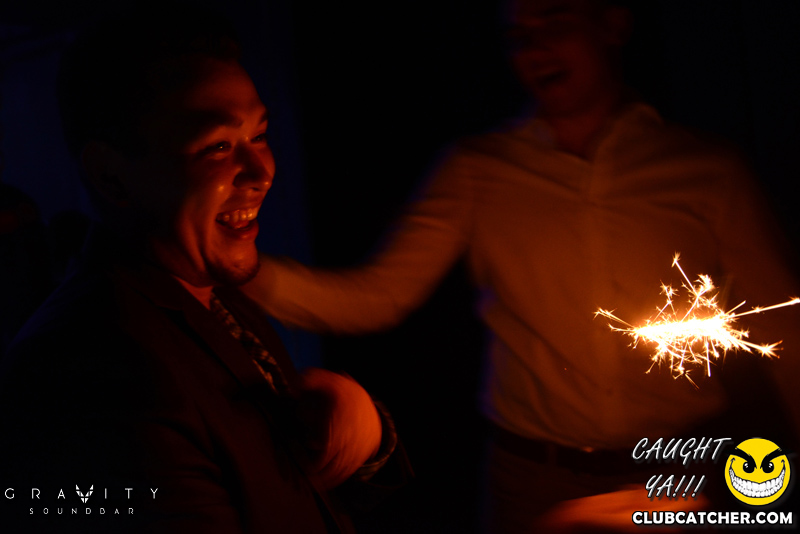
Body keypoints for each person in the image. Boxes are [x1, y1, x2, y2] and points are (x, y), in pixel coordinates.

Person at [242, 0, 800, 531]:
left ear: (613, 24)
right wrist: (244, 271)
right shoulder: (479, 171)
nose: (535, 49)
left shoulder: (706, 171)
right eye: (518, 35)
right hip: (533, 480)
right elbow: (379, 296)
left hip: (679, 467)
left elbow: (785, 325)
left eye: (555, 20)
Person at [0, 8, 406, 534]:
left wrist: (366, 437)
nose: (262, 172)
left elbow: (300, 488)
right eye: (218, 146)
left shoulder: (215, 296)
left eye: (260, 135)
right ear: (111, 176)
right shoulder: (92, 368)